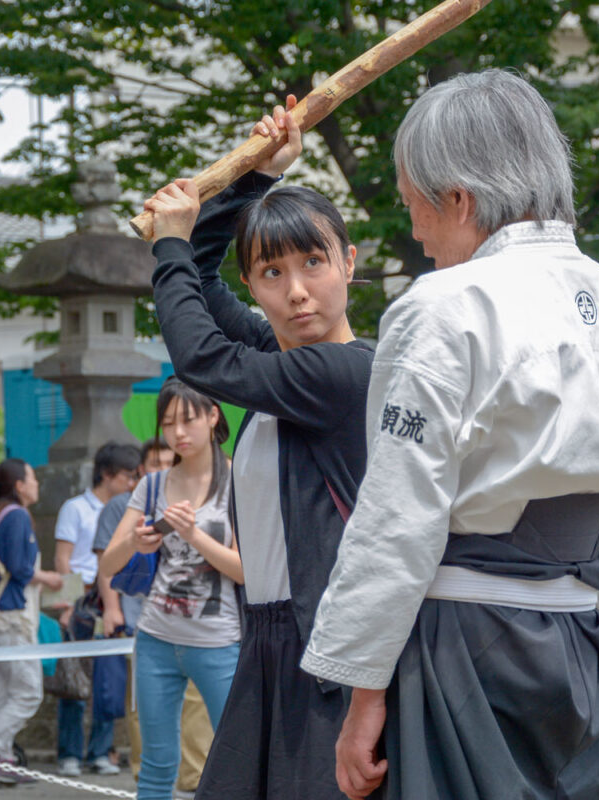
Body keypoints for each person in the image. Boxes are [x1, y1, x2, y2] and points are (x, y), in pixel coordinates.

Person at [295, 70, 599, 800]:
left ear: (460, 200)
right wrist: (590, 616)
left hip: (461, 638)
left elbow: (400, 514)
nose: (415, 232)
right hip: (571, 635)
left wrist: (362, 691)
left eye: (416, 209)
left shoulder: (444, 304)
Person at [145, 97, 374, 799]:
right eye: (273, 274)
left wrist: (168, 245)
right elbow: (204, 282)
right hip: (268, 639)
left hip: (331, 649)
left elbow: (200, 355)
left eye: (314, 262)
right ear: (254, 285)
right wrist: (252, 179)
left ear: (349, 262)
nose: (298, 291)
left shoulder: (345, 371)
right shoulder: (279, 354)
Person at [100, 379, 242, 799]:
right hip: (156, 638)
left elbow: (245, 570)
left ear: (213, 416)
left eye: (188, 420)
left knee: (235, 758)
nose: (178, 433)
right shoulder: (152, 485)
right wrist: (136, 541)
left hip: (219, 642)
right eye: (167, 423)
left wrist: (194, 534)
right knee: (156, 766)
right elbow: (108, 565)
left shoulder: (240, 479)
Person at [96, 437, 211, 797]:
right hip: (140, 614)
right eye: (154, 463)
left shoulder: (198, 497)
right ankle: (143, 774)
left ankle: (193, 778)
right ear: (141, 470)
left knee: (195, 703)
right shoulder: (123, 504)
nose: (162, 468)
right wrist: (111, 609)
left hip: (196, 618)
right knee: (143, 704)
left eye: (168, 461)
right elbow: (106, 561)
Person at [0, 458, 62, 784]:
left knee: (6, 692)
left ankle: (2, 762)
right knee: (28, 692)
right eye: (32, 477)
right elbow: (20, 569)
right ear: (20, 485)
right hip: (9, 618)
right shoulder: (17, 515)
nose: (36, 484)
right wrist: (48, 577)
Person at [54, 442, 140, 777]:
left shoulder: (129, 509)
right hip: (85, 600)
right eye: (127, 476)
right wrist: (67, 602)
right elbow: (64, 558)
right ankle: (69, 753)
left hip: (116, 599)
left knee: (110, 679)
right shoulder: (75, 508)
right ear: (106, 474)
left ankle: (101, 751)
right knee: (75, 681)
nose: (132, 482)